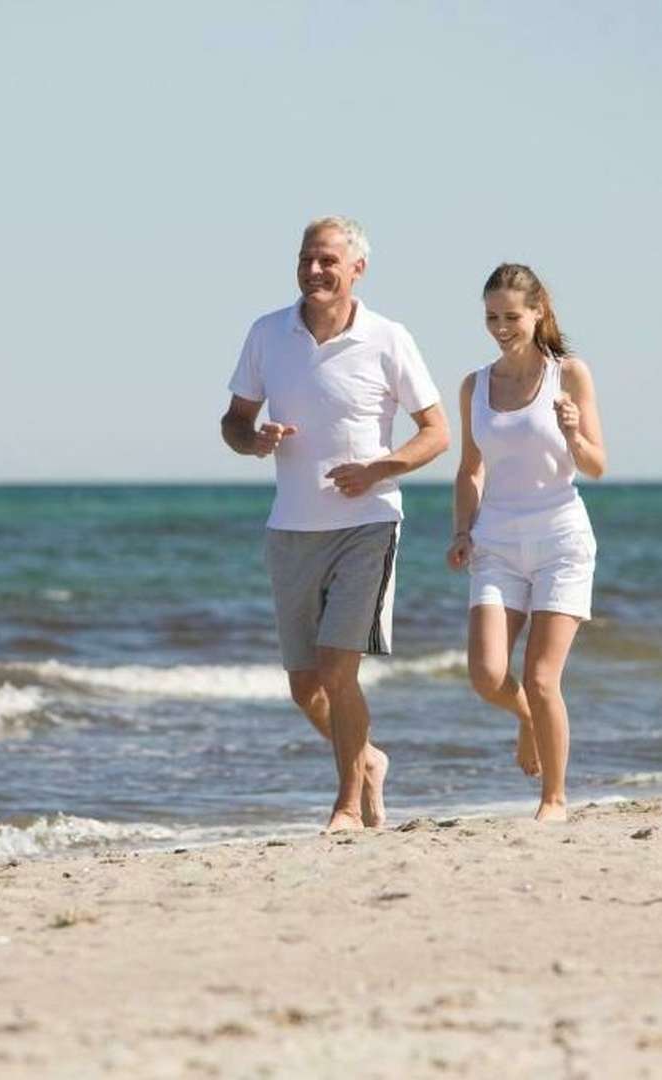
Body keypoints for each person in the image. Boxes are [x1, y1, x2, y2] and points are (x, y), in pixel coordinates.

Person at [222, 216, 450, 832]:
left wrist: (381, 468)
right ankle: (368, 760)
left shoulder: (388, 338)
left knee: (337, 668)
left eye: (327, 260)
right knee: (305, 686)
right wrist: (255, 439)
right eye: (306, 259)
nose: (315, 270)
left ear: (357, 269)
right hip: (290, 529)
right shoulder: (267, 333)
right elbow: (234, 422)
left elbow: (437, 433)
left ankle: (348, 804)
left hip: (367, 526)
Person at [446, 263, 607, 822]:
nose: (500, 326)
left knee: (542, 678)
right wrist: (462, 530)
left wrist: (571, 432)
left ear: (538, 313)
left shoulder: (570, 375)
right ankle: (527, 721)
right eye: (491, 317)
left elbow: (596, 465)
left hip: (561, 538)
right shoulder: (475, 386)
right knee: (487, 676)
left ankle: (554, 800)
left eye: (511, 316)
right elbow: (470, 469)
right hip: (496, 542)